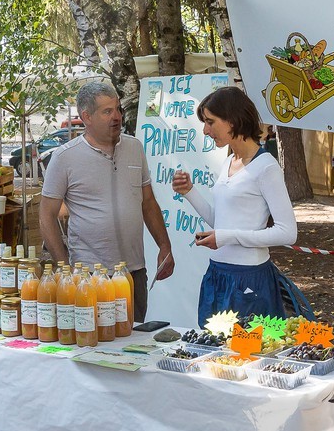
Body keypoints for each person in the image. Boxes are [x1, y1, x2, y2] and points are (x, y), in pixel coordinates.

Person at [40, 80, 174, 321]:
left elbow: (148, 202)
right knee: (94, 345)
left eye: (118, 109)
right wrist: (64, 268)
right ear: (86, 117)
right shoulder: (64, 157)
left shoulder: (135, 147)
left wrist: (165, 246)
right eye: (107, 111)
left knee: (133, 346)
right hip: (89, 276)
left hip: (134, 272)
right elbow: (46, 216)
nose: (117, 117)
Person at [171, 86, 298, 325]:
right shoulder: (230, 160)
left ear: (232, 121)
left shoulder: (266, 167)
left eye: (210, 122)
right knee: (214, 354)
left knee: (249, 356)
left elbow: (288, 232)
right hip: (218, 273)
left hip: (249, 278)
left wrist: (226, 237)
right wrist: (189, 192)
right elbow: (221, 222)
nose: (205, 130)